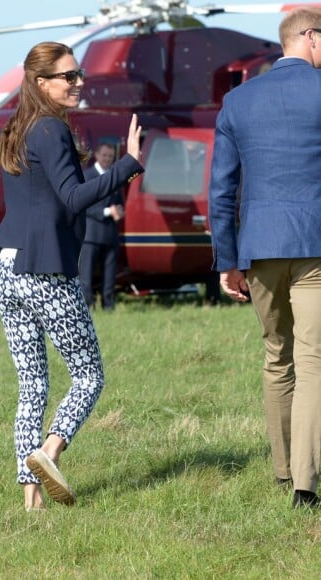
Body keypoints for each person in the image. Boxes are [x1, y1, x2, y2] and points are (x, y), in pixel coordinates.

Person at [0, 41, 144, 511]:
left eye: (78, 74)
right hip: (44, 269)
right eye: (67, 77)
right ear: (41, 83)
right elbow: (74, 198)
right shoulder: (50, 129)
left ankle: (30, 503)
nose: (77, 83)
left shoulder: (19, 127)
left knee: (32, 383)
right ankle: (48, 454)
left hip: (7, 268)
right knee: (89, 377)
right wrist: (129, 165)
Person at [208, 6, 321, 509]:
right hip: (315, 243)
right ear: (311, 39)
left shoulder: (236, 101)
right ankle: (305, 484)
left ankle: (282, 470)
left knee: (278, 359)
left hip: (259, 246)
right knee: (314, 360)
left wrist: (227, 259)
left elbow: (221, 189)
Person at [79, 143, 125, 310]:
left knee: (110, 274)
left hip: (110, 233)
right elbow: (84, 205)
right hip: (91, 234)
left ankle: (109, 305)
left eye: (110, 157)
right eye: (105, 155)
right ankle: (88, 306)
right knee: (86, 275)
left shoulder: (113, 176)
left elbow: (119, 202)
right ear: (97, 155)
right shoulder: (87, 176)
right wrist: (107, 211)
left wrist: (119, 210)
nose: (107, 159)